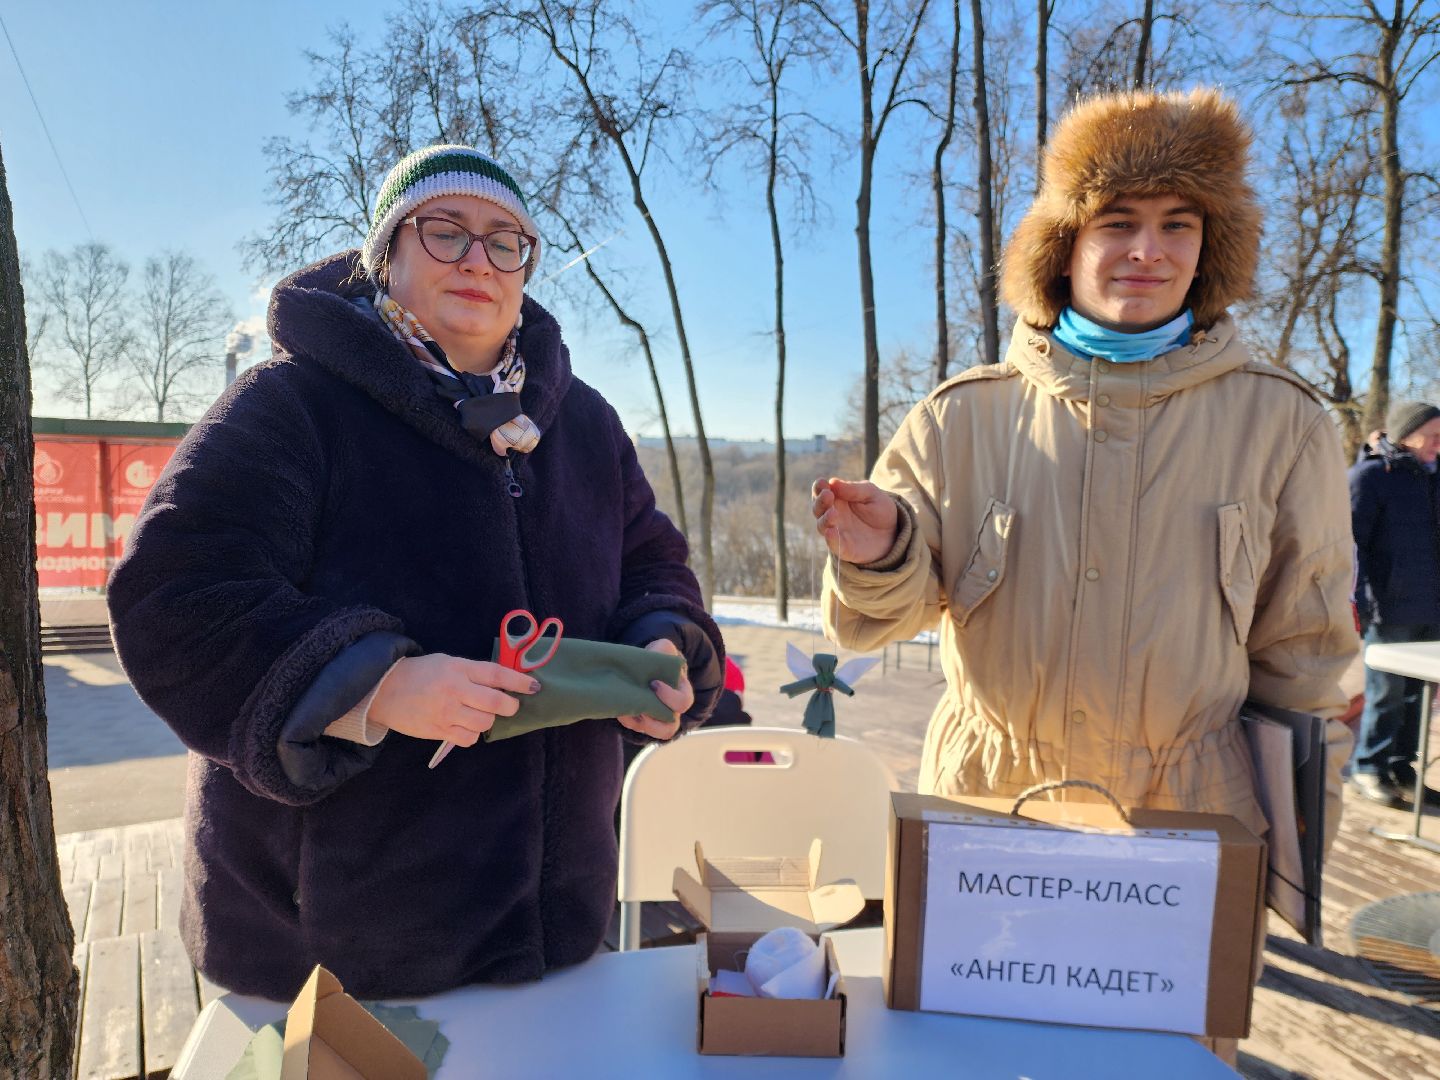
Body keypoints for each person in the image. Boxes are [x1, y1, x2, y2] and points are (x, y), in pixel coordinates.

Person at [107, 144, 724, 1000]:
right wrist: (375, 686)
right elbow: (174, 599)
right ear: (386, 254)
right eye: (446, 232)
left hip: (559, 935)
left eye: (506, 241)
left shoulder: (582, 424)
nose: (479, 259)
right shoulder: (292, 405)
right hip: (331, 960)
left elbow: (654, 561)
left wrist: (663, 643)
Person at [813, 89, 1358, 851]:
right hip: (989, 809)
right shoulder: (960, 415)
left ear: (1209, 249)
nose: (1149, 250)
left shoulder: (1283, 424)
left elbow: (1309, 651)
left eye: (1178, 225)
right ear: (1064, 245)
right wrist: (881, 556)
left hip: (1189, 822)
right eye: (1118, 223)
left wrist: (1299, 838)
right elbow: (875, 624)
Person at [1349, 400, 1440, 808]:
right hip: (1389, 607)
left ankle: (1403, 768)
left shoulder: (1436, 477)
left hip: (1433, 608)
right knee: (1384, 692)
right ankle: (1369, 767)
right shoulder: (1371, 477)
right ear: (1408, 432)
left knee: (1420, 696)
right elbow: (1352, 547)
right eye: (1434, 434)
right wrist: (1361, 603)